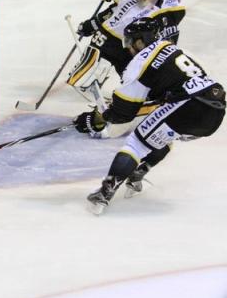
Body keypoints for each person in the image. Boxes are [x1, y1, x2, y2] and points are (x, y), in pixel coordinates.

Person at [73, 17, 225, 215]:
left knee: (136, 143)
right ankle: (137, 174)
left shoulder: (139, 63)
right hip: (216, 109)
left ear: (139, 41)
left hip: (188, 106)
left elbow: (123, 114)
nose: (128, 48)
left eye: (129, 42)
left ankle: (104, 193)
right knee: (163, 134)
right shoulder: (174, 48)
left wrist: (96, 119)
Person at [68, 0, 186, 96]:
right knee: (91, 74)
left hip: (132, 45)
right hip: (111, 39)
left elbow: (174, 20)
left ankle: (140, 92)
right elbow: (111, 11)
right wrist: (92, 25)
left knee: (136, 76)